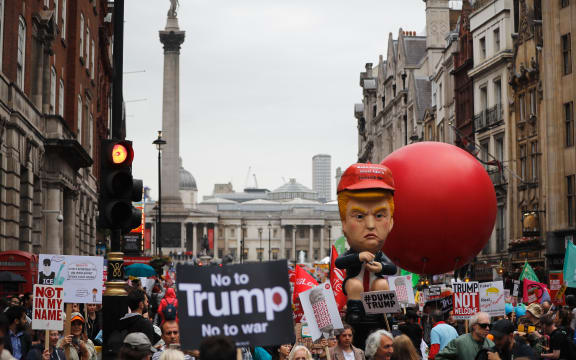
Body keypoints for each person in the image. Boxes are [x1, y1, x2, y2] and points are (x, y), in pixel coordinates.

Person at [335, 163, 398, 323]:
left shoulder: (379, 254)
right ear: (344, 223)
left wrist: (381, 267)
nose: (370, 225)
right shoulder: (353, 253)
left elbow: (392, 268)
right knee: (354, 285)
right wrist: (357, 257)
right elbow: (339, 262)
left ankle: (383, 314)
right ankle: (356, 313)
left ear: (391, 222)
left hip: (375, 285)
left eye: (379, 215)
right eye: (359, 216)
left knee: (382, 283)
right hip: (355, 285)